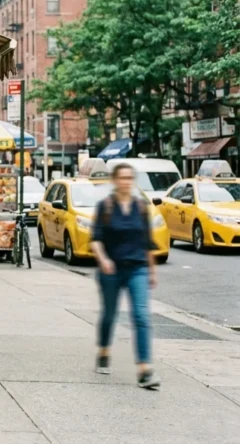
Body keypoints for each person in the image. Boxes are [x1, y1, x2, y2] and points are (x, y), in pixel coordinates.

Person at [91, 163, 161, 390]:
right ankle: (104, 350)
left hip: (137, 268)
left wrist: (152, 270)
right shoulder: (106, 206)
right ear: (114, 180)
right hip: (111, 270)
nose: (126, 182)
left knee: (141, 316)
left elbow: (147, 242)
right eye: (122, 178)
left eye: (130, 178)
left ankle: (144, 369)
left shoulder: (141, 207)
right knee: (110, 314)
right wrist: (104, 260)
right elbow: (96, 239)